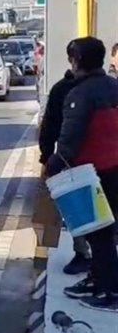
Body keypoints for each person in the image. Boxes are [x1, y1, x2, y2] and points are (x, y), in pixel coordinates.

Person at [47, 37, 118, 312]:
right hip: (112, 169)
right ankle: (100, 279)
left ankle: (107, 291)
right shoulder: (113, 86)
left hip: (90, 173)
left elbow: (69, 139)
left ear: (77, 61)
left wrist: (53, 164)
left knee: (96, 233)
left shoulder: (79, 95)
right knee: (107, 231)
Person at [38, 40, 89, 274]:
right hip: (105, 160)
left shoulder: (62, 89)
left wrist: (47, 157)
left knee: (74, 206)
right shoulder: (109, 86)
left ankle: (81, 253)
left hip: (70, 160)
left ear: (74, 61)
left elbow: (50, 126)